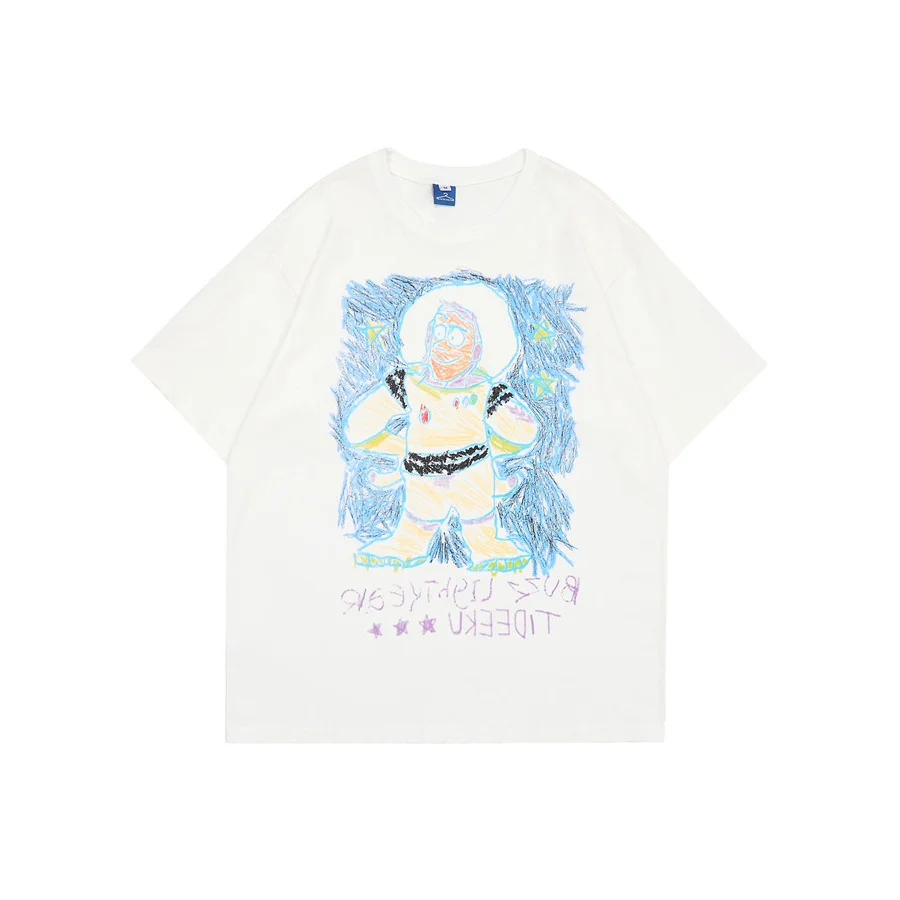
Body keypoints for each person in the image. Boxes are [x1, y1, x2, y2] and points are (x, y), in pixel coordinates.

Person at [344, 296, 538, 571]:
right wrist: (397, 446)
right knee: (414, 528)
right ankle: (407, 545)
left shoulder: (485, 390)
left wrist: (492, 445)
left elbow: (525, 431)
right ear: (426, 336)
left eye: (457, 336)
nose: (444, 344)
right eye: (439, 331)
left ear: (477, 351)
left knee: (480, 528)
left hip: (473, 478)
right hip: (421, 478)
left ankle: (486, 546)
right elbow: (357, 426)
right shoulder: (409, 383)